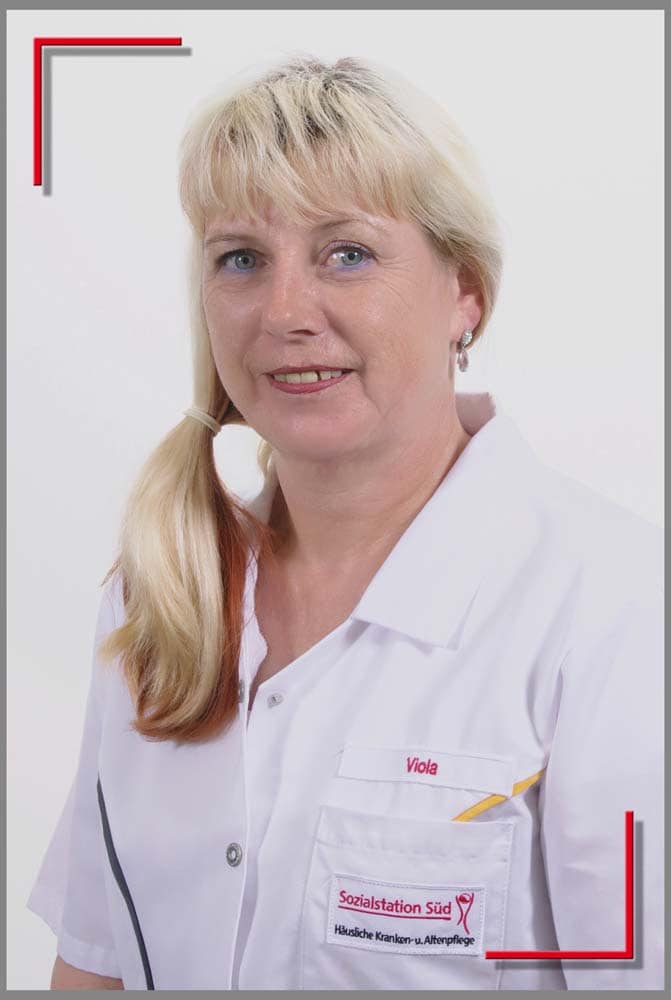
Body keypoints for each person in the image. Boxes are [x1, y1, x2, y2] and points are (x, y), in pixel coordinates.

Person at [27, 53, 662, 991]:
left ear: (465, 294)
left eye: (347, 253)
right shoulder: (162, 590)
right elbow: (96, 966)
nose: (284, 312)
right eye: (241, 259)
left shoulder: (613, 611)